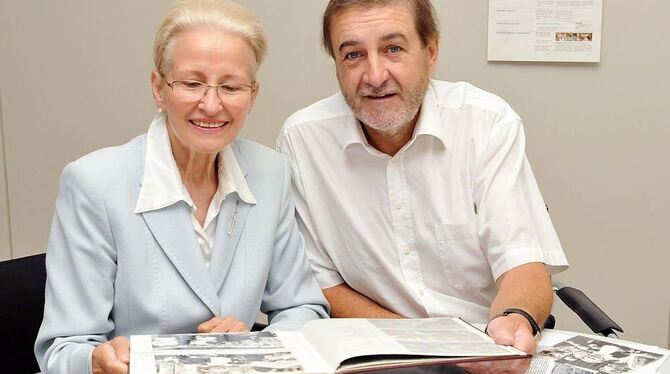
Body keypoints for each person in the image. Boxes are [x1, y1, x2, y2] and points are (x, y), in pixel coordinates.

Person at [35, 0, 329, 373]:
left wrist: (254, 347)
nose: (211, 104)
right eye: (192, 83)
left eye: (231, 86)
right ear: (159, 88)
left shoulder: (272, 173)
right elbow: (62, 350)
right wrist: (95, 362)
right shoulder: (94, 183)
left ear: (252, 96)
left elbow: (303, 308)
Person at [277, 0, 568, 354]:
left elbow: (523, 261)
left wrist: (514, 319)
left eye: (393, 49)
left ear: (431, 52)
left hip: (487, 344)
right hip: (377, 350)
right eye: (353, 55)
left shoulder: (486, 122)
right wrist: (427, 346)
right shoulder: (303, 139)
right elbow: (320, 283)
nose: (375, 76)